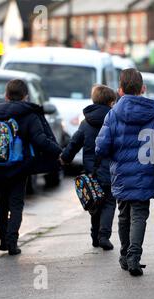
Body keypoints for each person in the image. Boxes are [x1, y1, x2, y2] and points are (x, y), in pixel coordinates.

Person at [96, 68, 154, 277]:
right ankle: (134, 256)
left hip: (121, 174)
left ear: (120, 90)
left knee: (124, 215)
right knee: (139, 216)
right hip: (145, 173)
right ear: (143, 88)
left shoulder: (113, 114)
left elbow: (101, 147)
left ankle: (125, 255)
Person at [0, 80, 62, 255]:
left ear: (6, 95)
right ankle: (12, 243)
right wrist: (60, 152)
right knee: (16, 204)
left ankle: (3, 242)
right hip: (19, 166)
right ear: (25, 96)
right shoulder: (29, 115)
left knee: (2, 203)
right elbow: (40, 140)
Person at [60, 85, 117, 251]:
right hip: (110, 170)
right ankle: (104, 236)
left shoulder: (85, 123)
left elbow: (74, 143)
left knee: (95, 203)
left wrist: (65, 157)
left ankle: (95, 236)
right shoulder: (114, 120)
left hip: (92, 172)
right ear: (111, 102)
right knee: (108, 203)